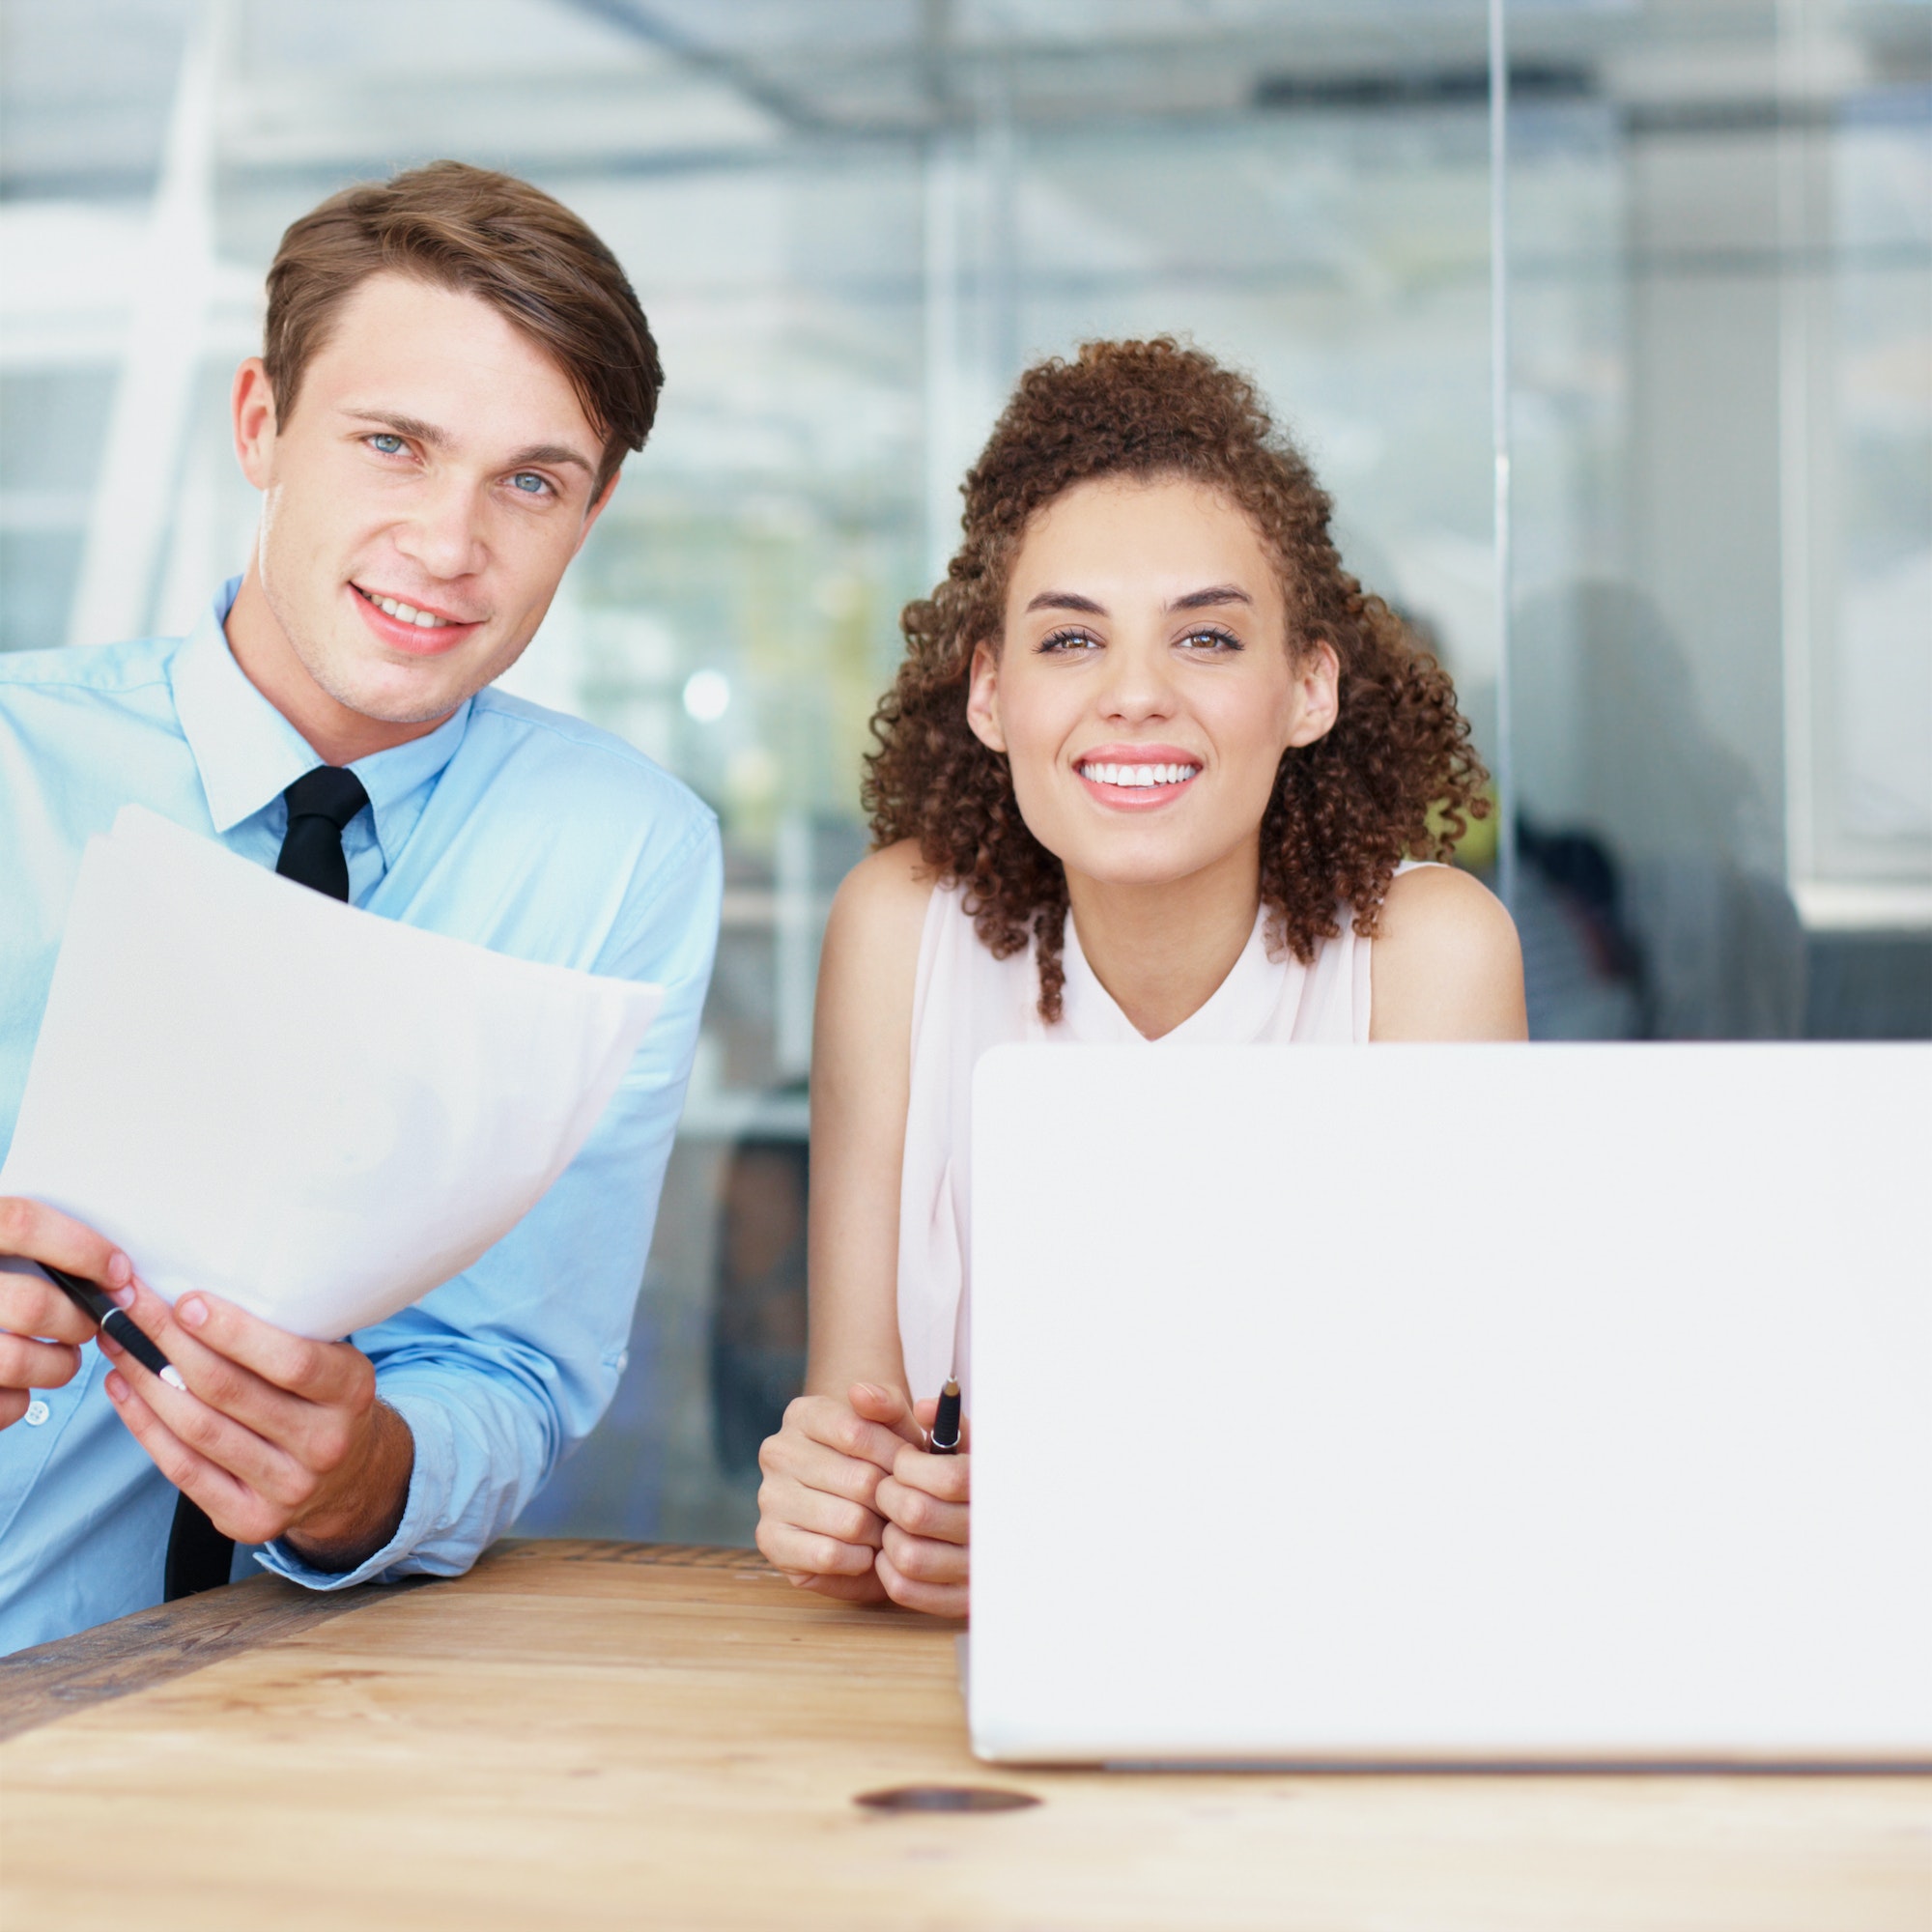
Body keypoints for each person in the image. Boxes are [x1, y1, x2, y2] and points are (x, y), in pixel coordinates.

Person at [0, 163, 721, 1654]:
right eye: (393, 445)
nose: (452, 546)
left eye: (531, 480)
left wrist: (365, 1477)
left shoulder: (621, 855)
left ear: (593, 509)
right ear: (263, 426)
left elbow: (516, 1371)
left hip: (278, 1717)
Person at [754, 339, 1525, 1618]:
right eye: (1070, 642)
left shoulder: (1427, 957)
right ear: (994, 696)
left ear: (1309, 689)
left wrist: (1069, 1539)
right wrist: (845, 1504)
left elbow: (1445, 1484)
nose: (1134, 699)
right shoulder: (898, 930)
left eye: (1207, 638)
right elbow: (863, 1427)